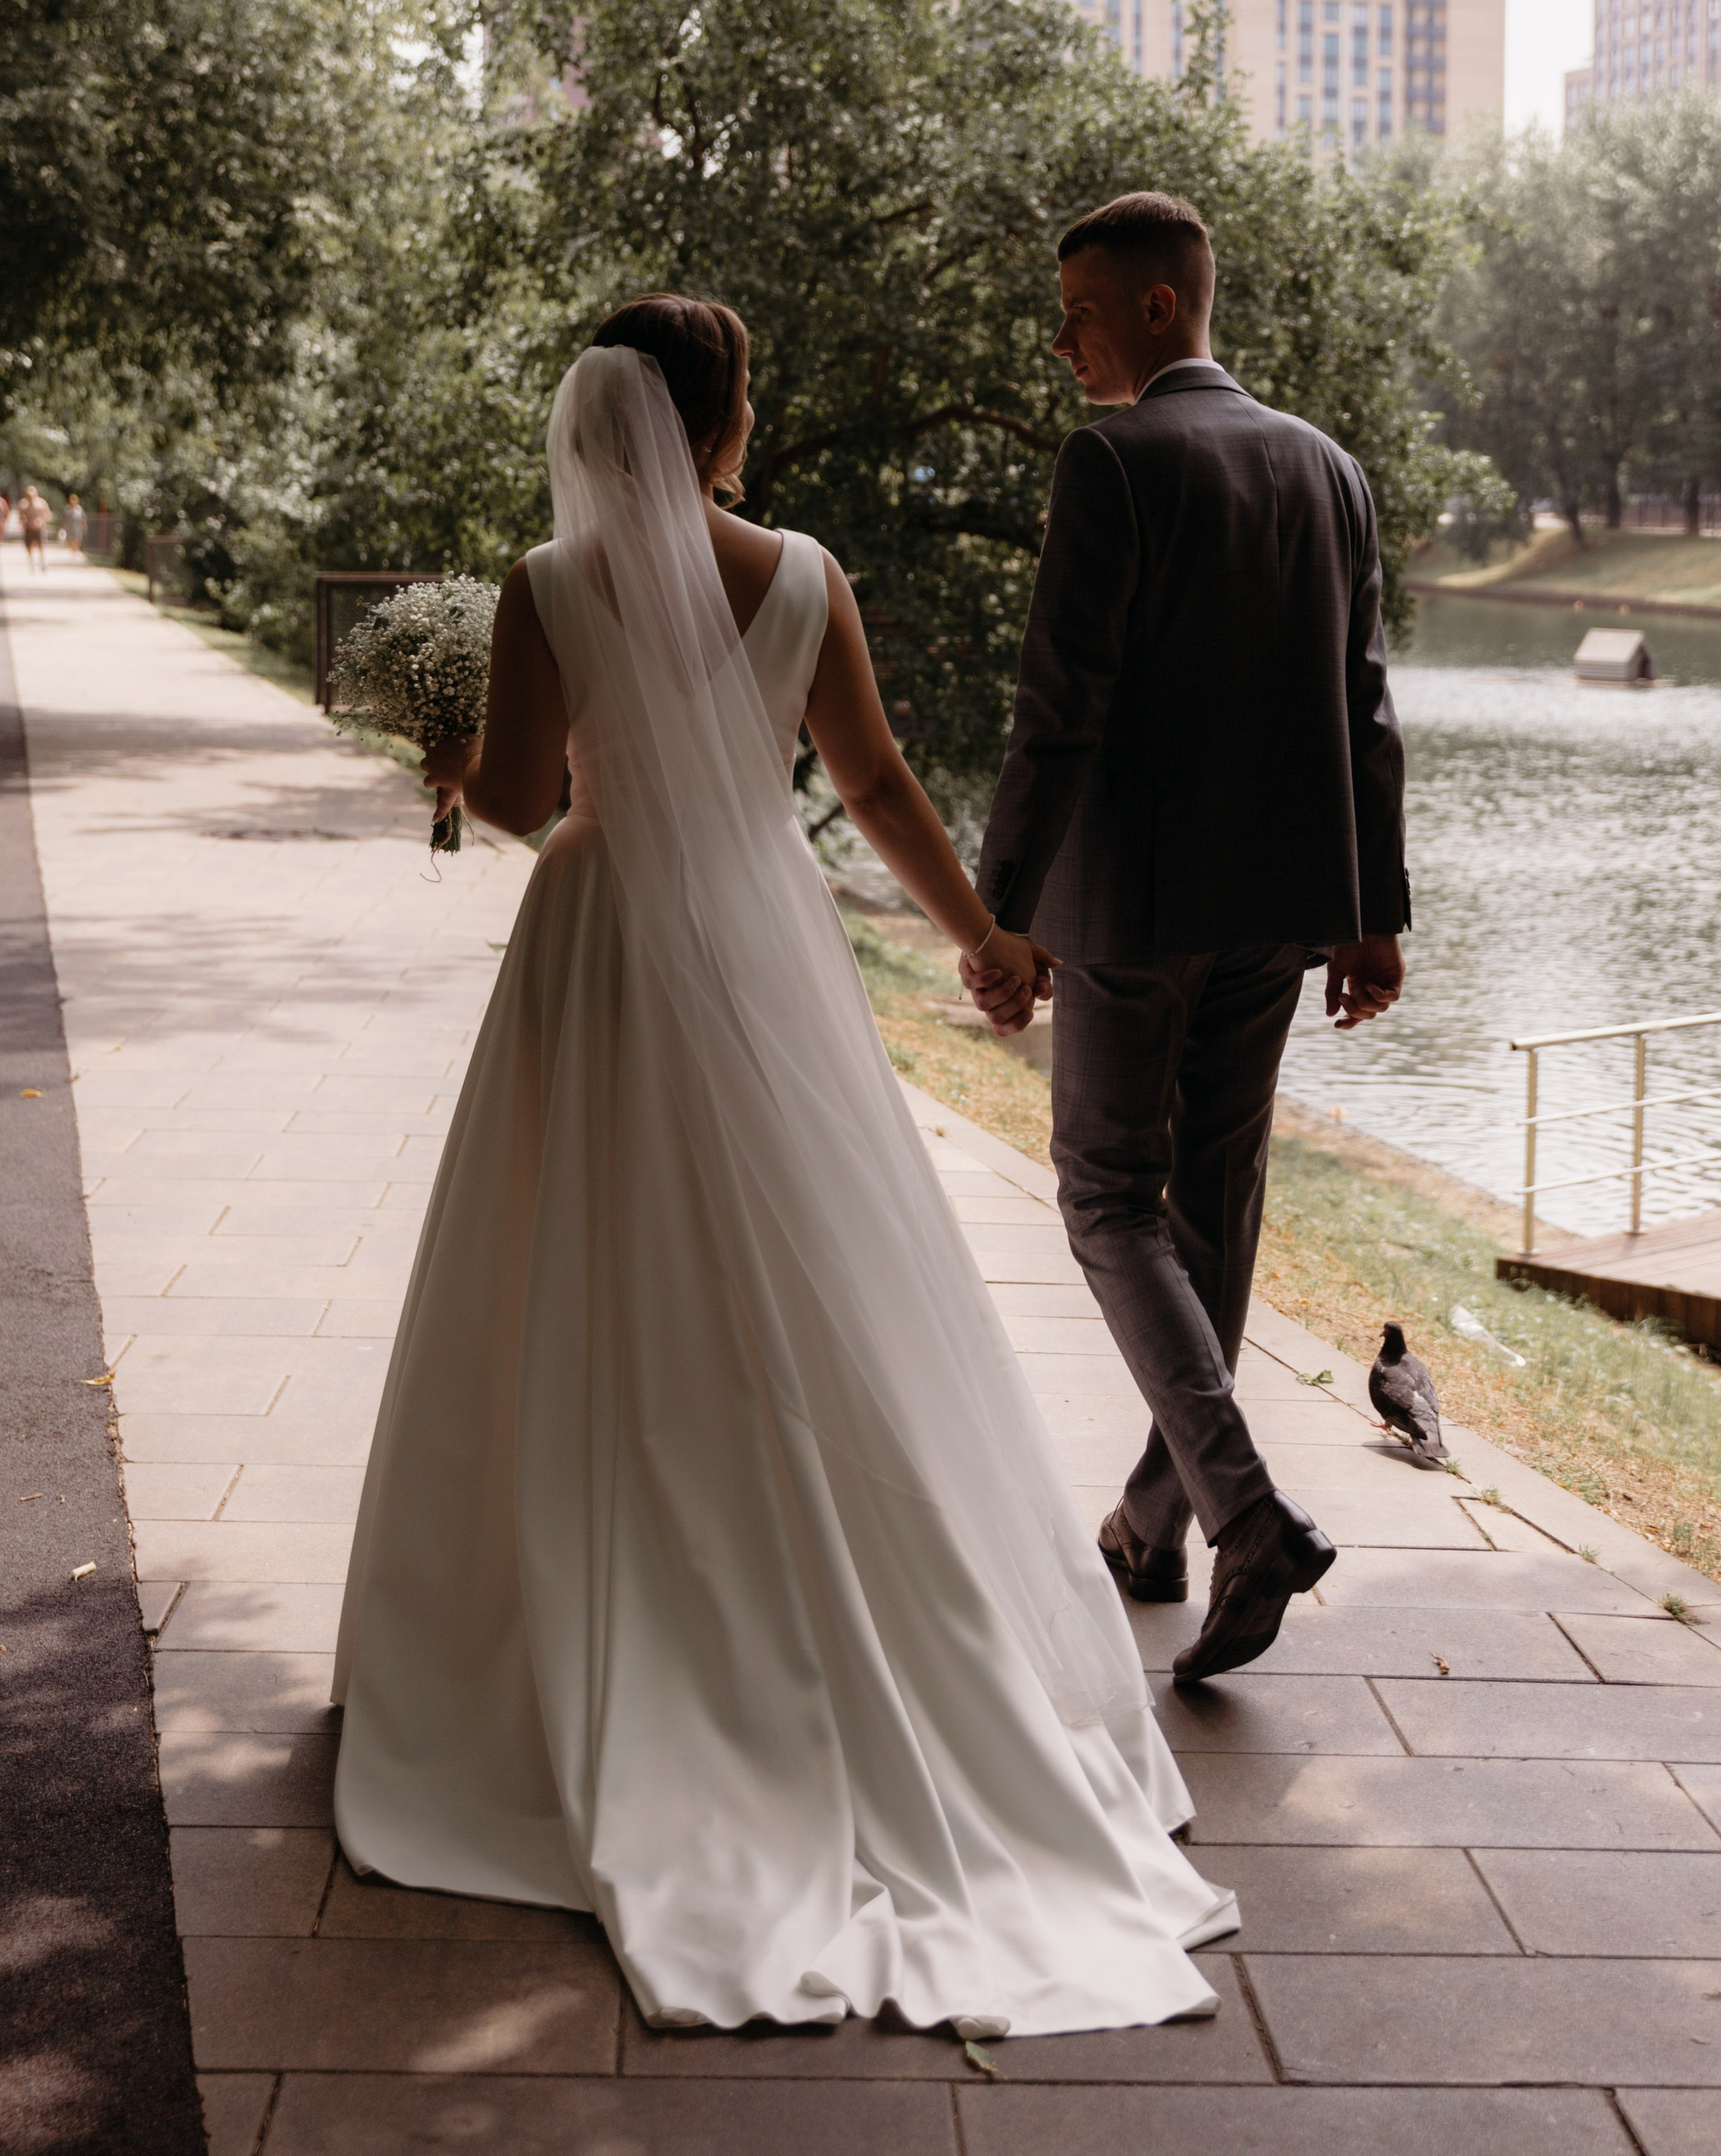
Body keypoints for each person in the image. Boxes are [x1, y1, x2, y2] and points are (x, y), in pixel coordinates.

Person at [332, 295, 1234, 2040]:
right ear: (724, 418)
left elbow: (521, 802)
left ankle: (575, 1631)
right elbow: (875, 781)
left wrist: (449, 763)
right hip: (761, 942)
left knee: (584, 1268)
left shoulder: (545, 582)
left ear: (608, 423)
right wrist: (987, 937)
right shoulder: (808, 577)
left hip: (601, 945)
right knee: (817, 1277)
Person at [963, 192, 1407, 1687]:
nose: (1062, 344)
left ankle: (1243, 1516)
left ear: (1158, 307)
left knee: (1105, 1199)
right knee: (1209, 1214)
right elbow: (1364, 710)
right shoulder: (1329, 468)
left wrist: (1000, 913)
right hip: (1276, 913)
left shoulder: (1110, 461)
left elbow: (1057, 710)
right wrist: (1370, 913)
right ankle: (1153, 1530)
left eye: (1077, 313)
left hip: (1131, 913)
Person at [15, 483, 50, 574]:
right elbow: (21, 516)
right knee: (29, 546)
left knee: (41, 546)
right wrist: (24, 524)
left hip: (39, 528)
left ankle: (42, 562)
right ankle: (32, 563)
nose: (31, 497)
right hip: (29, 528)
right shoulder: (24, 504)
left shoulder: (41, 503)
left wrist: (42, 522)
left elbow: (47, 514)